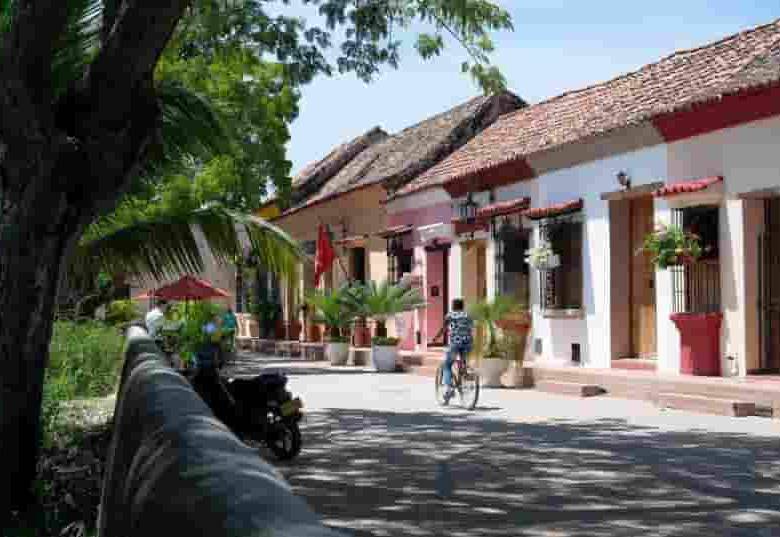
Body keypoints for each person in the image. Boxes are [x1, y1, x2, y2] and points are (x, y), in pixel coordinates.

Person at [437, 298, 474, 403]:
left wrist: (436, 338)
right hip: (468, 343)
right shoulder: (468, 315)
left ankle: (449, 388)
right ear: (463, 306)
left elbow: (443, 329)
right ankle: (464, 376)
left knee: (447, 365)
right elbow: (471, 327)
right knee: (463, 362)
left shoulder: (450, 315)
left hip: (455, 344)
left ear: (453, 306)